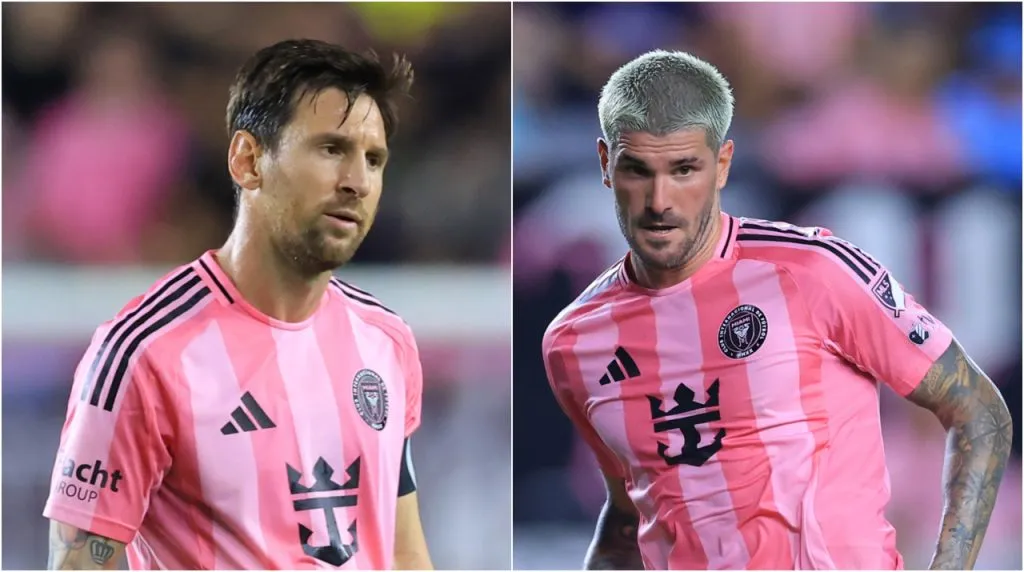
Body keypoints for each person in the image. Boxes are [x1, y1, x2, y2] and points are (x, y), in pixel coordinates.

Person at [541, 50, 1012, 570]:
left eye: (683, 170)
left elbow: (978, 411)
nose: (659, 201)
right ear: (607, 164)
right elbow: (629, 516)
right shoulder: (575, 342)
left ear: (722, 165)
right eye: (638, 171)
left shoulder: (814, 271)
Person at [43, 39, 433, 570]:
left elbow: (406, 554)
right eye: (330, 149)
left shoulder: (387, 341)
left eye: (373, 159)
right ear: (248, 161)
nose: (357, 182)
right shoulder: (143, 354)